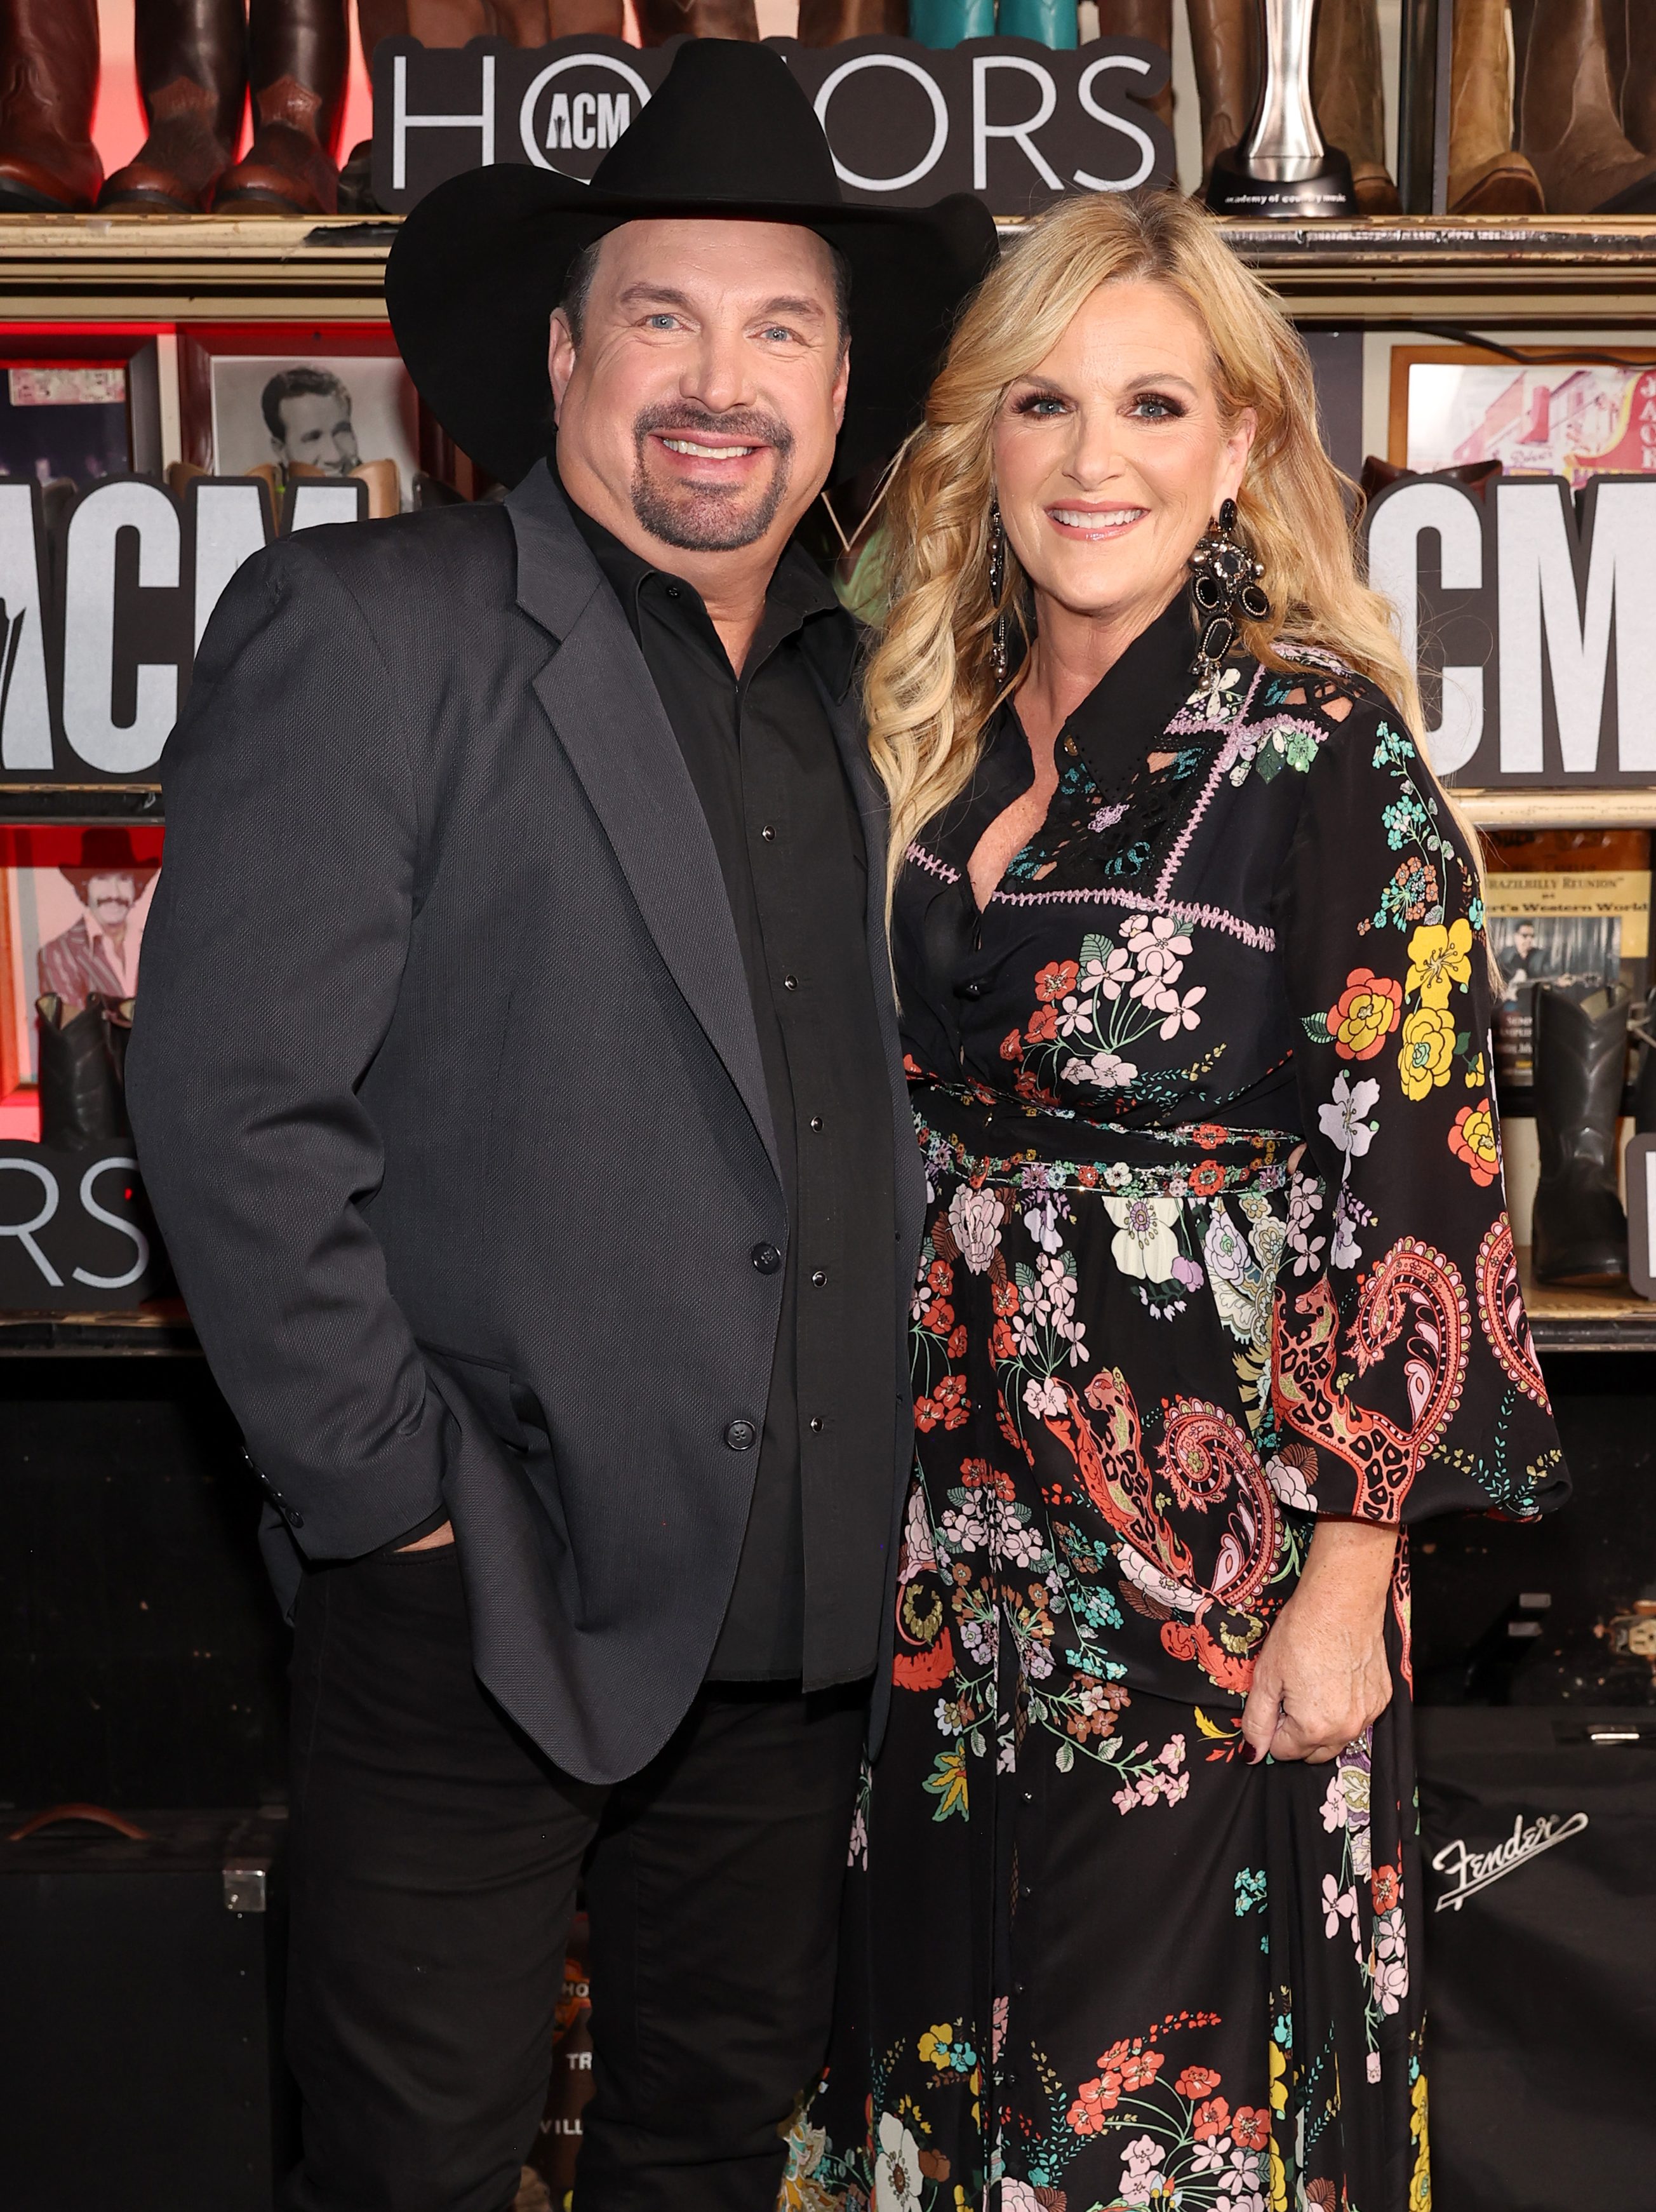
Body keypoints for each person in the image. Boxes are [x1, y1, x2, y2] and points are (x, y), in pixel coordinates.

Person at [126, 39, 994, 2212]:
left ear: (836, 386)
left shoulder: (841, 695)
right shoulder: (374, 626)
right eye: (662, 318)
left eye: (778, 326)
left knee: (708, 2153)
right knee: (416, 2165)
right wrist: (391, 1511)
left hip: (792, 1633)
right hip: (474, 1606)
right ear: (558, 353)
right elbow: (235, 1111)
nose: (720, 379)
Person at [788, 190, 1568, 2212]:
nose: (1092, 457)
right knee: (942, 2072)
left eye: (1150, 403)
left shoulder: (1316, 754)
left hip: (1203, 1576)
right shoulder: (927, 737)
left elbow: (1412, 1175)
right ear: (981, 445)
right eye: (1041, 404)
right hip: (947, 1558)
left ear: (1232, 445)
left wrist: (1340, 1579)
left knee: (1153, 2118)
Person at [37, 826, 157, 1005]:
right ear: (85, 886)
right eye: (102, 879)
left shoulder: (159, 945)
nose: (114, 894)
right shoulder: (59, 953)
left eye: (124, 879)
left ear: (137, 887)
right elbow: (74, 1028)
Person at [260, 365, 361, 478]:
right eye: (313, 438)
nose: (335, 457)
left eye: (342, 432)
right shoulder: (264, 494)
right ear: (281, 450)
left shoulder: (380, 490)